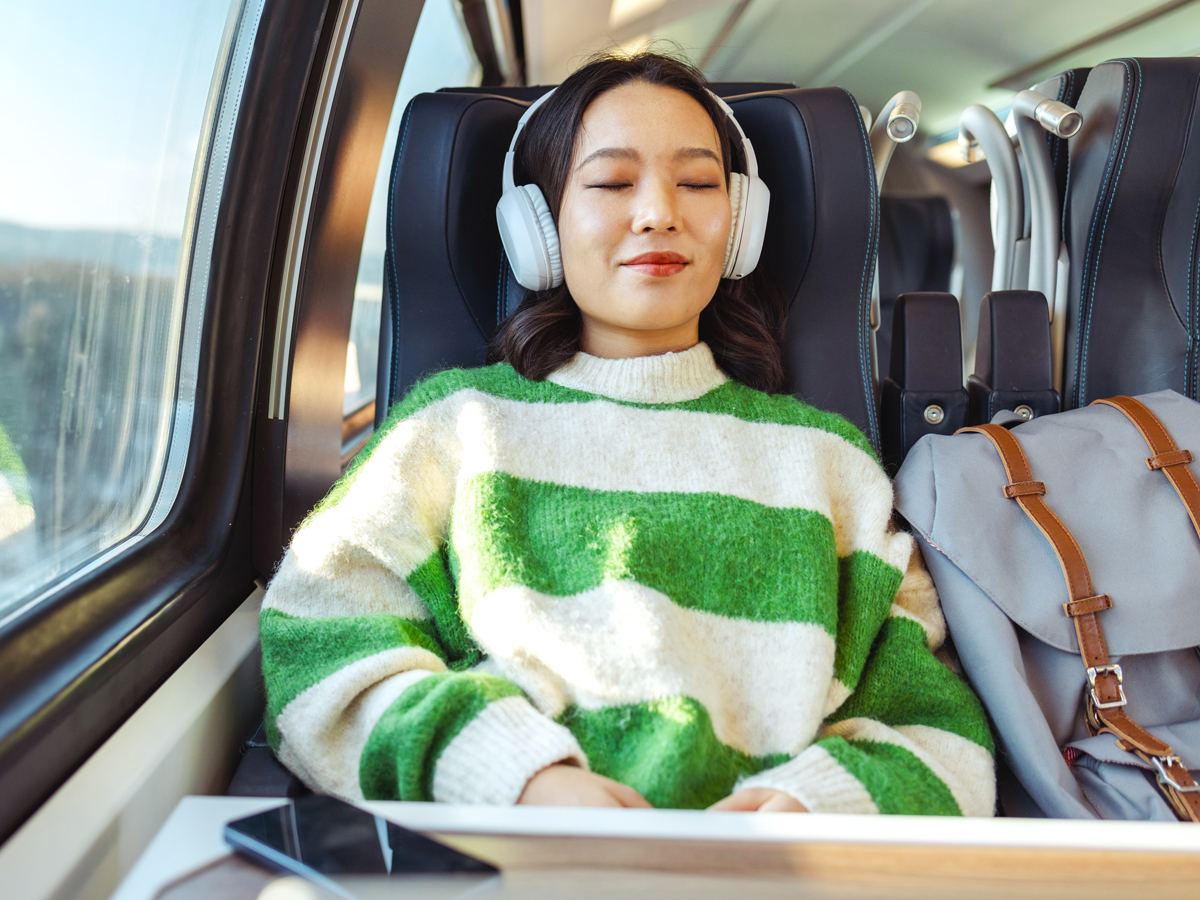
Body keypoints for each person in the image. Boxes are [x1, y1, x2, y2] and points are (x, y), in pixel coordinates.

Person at [259, 50, 995, 815]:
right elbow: (320, 647)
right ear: (536, 228)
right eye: (612, 182)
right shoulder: (454, 434)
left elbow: (938, 733)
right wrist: (516, 774)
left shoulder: (833, 470)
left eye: (699, 183)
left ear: (741, 226)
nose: (658, 213)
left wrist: (811, 807)